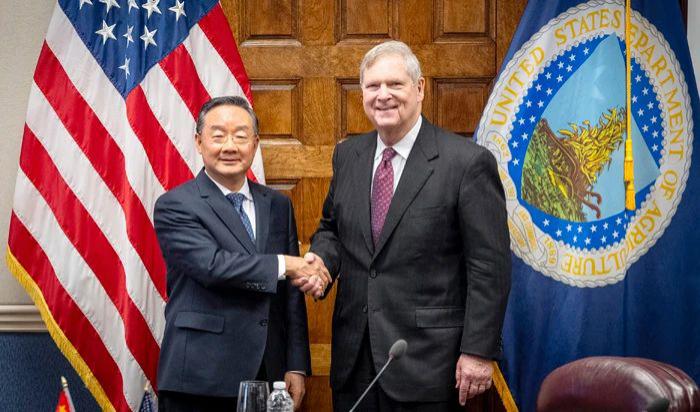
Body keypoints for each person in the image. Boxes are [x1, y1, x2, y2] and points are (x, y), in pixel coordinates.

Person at [306, 41, 512, 411]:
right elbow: (332, 228)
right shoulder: (348, 155)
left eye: (395, 84)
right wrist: (322, 261)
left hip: (428, 364)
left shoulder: (467, 163)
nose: (383, 95)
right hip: (355, 362)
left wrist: (478, 351)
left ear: (419, 89)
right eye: (373, 86)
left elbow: (489, 266)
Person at [154, 96, 329, 411]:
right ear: (199, 142)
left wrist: (296, 363)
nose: (230, 146)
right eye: (218, 136)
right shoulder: (176, 205)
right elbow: (212, 266)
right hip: (200, 377)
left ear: (255, 143)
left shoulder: (277, 205)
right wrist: (286, 264)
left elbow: (291, 295)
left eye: (240, 136)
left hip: (268, 373)